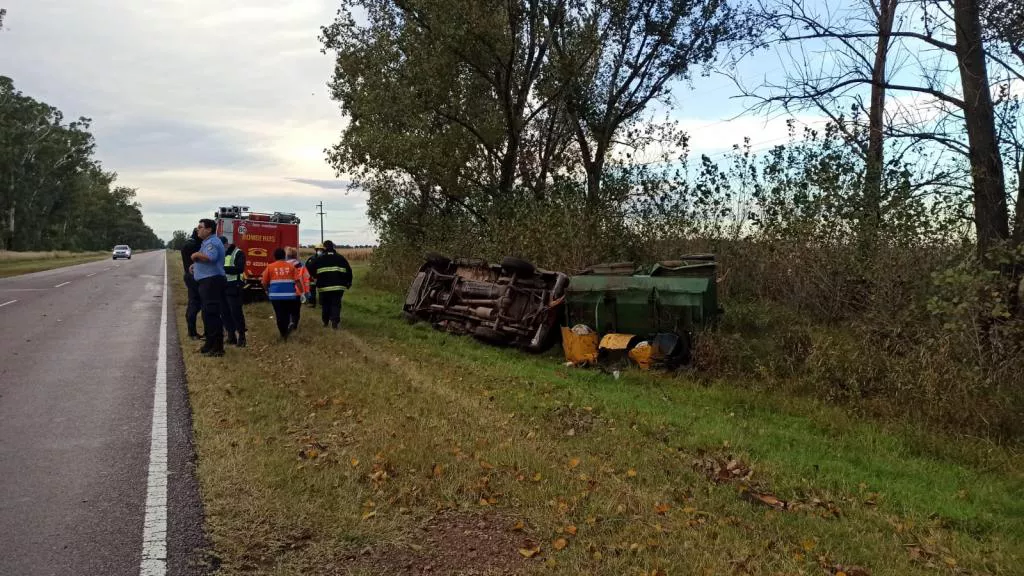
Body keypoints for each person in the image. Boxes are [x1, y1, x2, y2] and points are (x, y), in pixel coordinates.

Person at [190, 218, 227, 357]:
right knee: (207, 314)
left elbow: (210, 257)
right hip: (207, 281)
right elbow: (206, 260)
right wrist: (196, 266)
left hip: (211, 282)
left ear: (209, 229)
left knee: (212, 315)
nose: (197, 229)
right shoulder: (206, 242)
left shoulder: (212, 242)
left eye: (200, 227)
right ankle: (209, 344)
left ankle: (217, 348)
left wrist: (196, 255)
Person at [308, 240, 352, 329]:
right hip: (338, 287)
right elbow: (349, 271)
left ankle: (325, 322)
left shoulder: (319, 259)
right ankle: (335, 322)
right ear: (333, 247)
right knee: (336, 304)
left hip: (324, 287)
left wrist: (315, 277)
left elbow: (310, 268)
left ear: (324, 248)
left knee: (326, 304)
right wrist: (348, 282)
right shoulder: (340, 258)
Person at [261, 247, 304, 340]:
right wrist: (302, 293)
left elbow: (264, 282)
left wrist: (267, 290)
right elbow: (298, 281)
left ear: (274, 256)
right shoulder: (291, 267)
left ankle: (283, 333)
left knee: (279, 314)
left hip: (275, 296)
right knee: (287, 314)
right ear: (284, 256)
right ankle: (287, 328)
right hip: (289, 296)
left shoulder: (270, 267)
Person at [221, 236, 247, 347]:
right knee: (224, 313)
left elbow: (240, 268)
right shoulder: (222, 253)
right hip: (222, 286)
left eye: (221, 247)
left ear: (226, 244)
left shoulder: (238, 253)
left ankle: (242, 337)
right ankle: (231, 336)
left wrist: (221, 268)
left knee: (236, 313)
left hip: (234, 286)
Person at [180, 228, 204, 340]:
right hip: (195, 276)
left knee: (192, 303)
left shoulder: (186, 244)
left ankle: (191, 331)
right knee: (196, 304)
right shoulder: (196, 245)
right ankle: (193, 333)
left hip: (188, 275)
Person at [285, 247, 311, 331]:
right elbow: (306, 280)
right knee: (296, 311)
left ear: (287, 256)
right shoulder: (301, 266)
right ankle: (294, 325)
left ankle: (288, 324)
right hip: (298, 292)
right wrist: (306, 293)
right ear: (296, 256)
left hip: (286, 292)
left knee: (286, 310)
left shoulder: (283, 266)